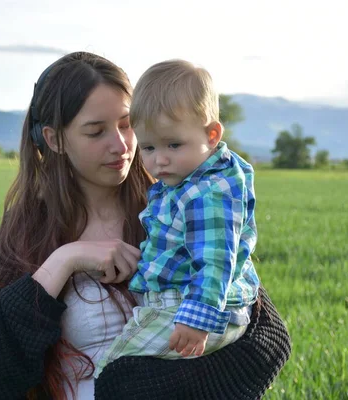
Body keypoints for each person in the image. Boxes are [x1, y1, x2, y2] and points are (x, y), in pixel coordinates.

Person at [0, 51, 291, 400]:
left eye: (127, 125)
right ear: (54, 140)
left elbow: (268, 338)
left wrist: (142, 387)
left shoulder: (174, 204)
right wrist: (65, 260)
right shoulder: (32, 231)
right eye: (96, 132)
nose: (121, 145)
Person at [95, 59, 259, 378]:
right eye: (149, 147)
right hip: (189, 306)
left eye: (173, 144)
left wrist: (196, 319)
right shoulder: (189, 181)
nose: (160, 160)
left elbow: (215, 260)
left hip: (190, 308)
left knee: (112, 371)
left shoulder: (205, 194)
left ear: (212, 135)